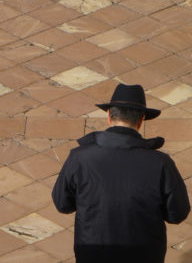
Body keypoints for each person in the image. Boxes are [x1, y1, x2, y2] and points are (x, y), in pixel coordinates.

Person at [51, 83, 190, 263]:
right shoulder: (161, 163)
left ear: (109, 116)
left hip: (93, 254)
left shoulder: (79, 158)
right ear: (141, 121)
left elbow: (62, 204)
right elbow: (177, 214)